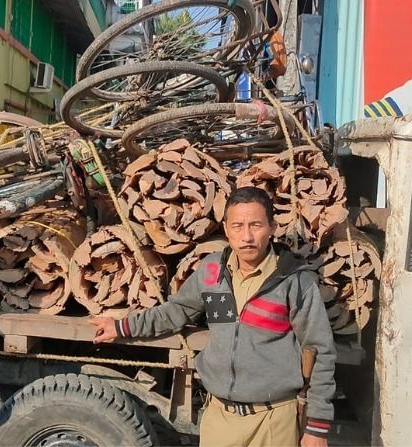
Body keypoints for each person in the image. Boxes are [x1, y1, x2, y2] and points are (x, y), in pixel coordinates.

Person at [90, 187, 336, 447]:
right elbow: (177, 311)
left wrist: (317, 428)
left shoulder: (294, 281)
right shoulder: (213, 272)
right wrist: (122, 326)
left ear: (272, 227)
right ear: (226, 229)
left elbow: (320, 351)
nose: (247, 236)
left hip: (273, 420)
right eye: (238, 226)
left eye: (256, 225)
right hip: (219, 418)